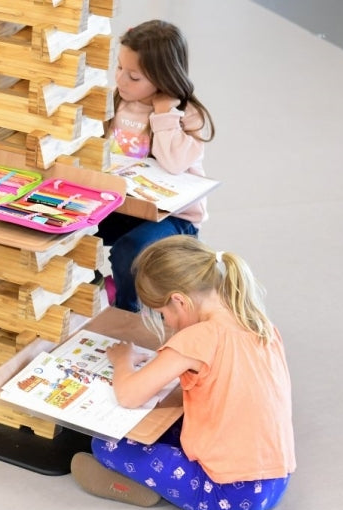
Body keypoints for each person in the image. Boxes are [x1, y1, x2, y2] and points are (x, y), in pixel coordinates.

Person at [70, 235, 295, 510]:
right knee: (173, 420)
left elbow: (129, 395)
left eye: (163, 315)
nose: (167, 323)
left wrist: (122, 360)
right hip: (277, 478)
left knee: (105, 445)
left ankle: (137, 486)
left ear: (179, 301)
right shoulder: (259, 323)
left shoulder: (196, 339)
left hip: (228, 498)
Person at [98, 19, 216, 312]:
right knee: (69, 228)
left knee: (131, 251)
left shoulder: (187, 116)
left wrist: (164, 115)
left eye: (134, 77)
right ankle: (101, 285)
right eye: (119, 68)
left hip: (174, 219)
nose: (121, 81)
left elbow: (173, 163)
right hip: (124, 206)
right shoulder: (117, 101)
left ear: (163, 79)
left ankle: (128, 311)